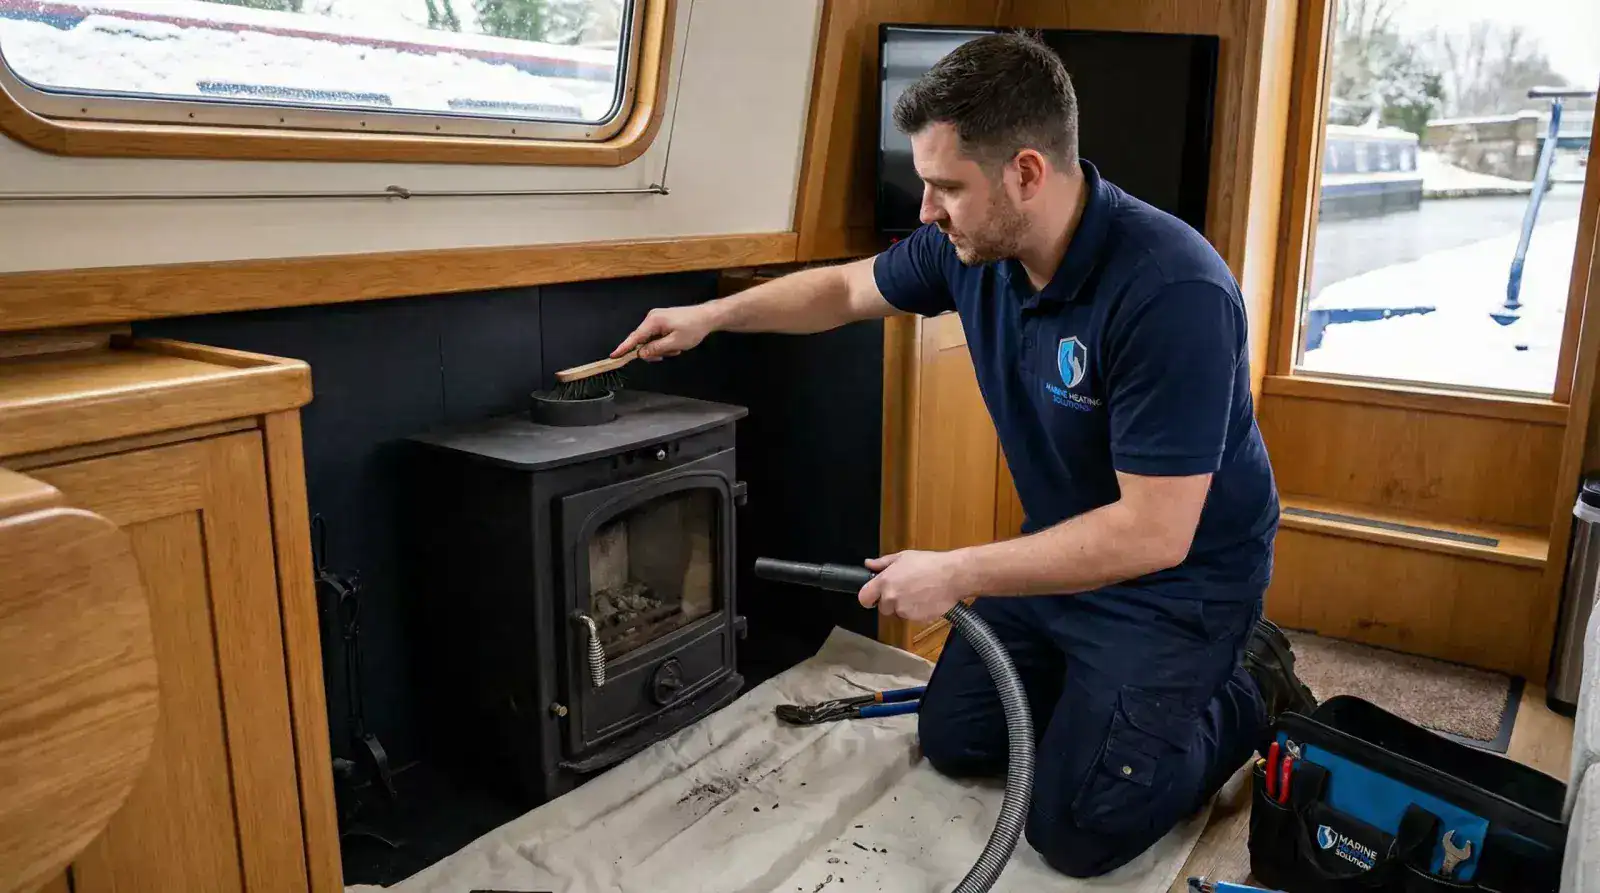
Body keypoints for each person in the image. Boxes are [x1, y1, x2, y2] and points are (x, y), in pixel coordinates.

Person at [610, 30, 1316, 877]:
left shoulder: (1175, 293)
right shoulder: (972, 250)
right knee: (957, 740)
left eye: (947, 186)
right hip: (1060, 559)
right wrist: (711, 318)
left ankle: (1248, 682)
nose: (926, 210)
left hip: (1176, 588)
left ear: (1026, 171)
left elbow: (1154, 534)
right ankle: (1106, 706)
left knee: (1077, 829)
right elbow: (842, 288)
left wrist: (961, 570)